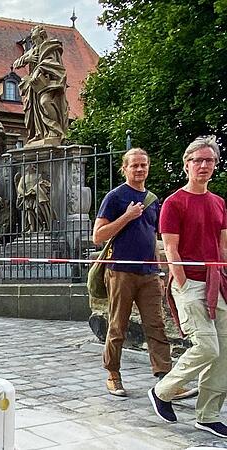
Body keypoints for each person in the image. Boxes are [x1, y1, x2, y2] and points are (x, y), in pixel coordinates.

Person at [148, 136, 227, 437]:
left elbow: (222, 249)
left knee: (224, 353)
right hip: (190, 284)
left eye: (209, 160)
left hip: (217, 284)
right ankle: (162, 391)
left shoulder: (219, 203)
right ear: (186, 165)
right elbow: (171, 249)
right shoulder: (173, 203)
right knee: (207, 346)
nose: (204, 165)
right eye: (198, 160)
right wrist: (181, 284)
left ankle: (207, 415)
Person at [92, 148, 173, 397]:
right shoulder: (115, 197)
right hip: (120, 271)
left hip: (148, 272)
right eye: (134, 165)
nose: (139, 169)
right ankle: (113, 374)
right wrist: (126, 217)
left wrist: (160, 271)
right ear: (125, 168)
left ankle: (166, 379)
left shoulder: (153, 199)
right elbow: (98, 236)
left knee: (157, 326)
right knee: (118, 325)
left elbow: (154, 237)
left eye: (143, 165)